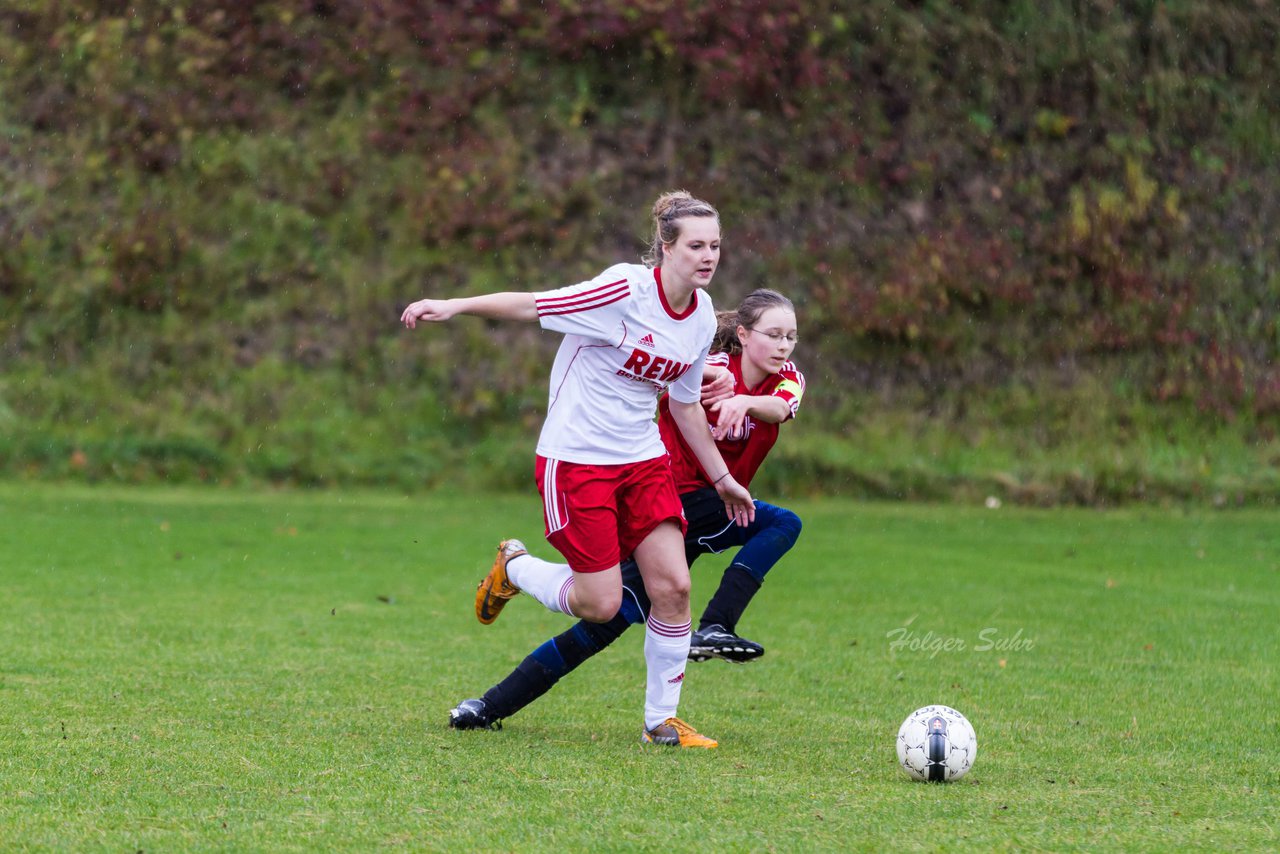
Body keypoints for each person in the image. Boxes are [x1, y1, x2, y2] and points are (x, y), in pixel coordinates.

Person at [401, 191, 754, 749]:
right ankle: (513, 568)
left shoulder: (702, 315)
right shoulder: (623, 291)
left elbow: (685, 407)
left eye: (715, 245)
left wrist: (722, 479)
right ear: (666, 247)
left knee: (674, 587)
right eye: (695, 245)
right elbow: (533, 305)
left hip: (643, 461)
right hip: (577, 460)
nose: (708, 256)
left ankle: (660, 721)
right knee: (601, 604)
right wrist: (455, 305)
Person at [448, 289, 805, 733]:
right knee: (780, 523)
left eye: (791, 335)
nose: (784, 344)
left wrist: (746, 402)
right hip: (662, 501)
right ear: (743, 334)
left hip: (708, 508)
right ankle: (712, 625)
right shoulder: (712, 366)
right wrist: (718, 385)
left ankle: (489, 703)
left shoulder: (786, 378)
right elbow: (684, 382)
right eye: (773, 334)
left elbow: (782, 405)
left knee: (603, 623)